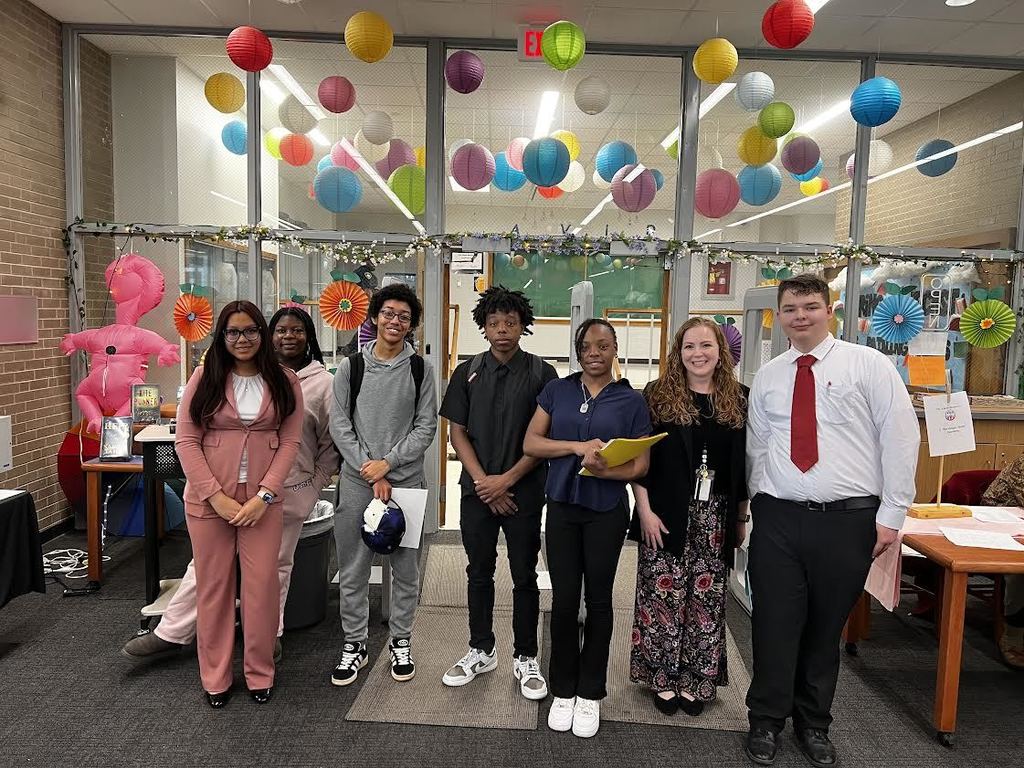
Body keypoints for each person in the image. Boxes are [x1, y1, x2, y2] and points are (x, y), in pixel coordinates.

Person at [744, 274, 919, 766]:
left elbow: (900, 439)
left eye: (810, 306)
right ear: (779, 315)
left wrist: (892, 514)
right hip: (778, 518)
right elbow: (758, 447)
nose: (800, 316)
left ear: (830, 310)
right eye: (790, 308)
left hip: (847, 521)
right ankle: (765, 720)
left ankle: (814, 724)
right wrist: (757, 506)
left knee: (824, 629)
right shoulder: (769, 376)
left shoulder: (869, 365)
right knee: (773, 625)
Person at [121, 306, 338, 667]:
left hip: (288, 491)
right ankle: (172, 632)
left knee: (275, 568)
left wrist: (313, 486)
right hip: (227, 490)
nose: (289, 336)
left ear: (310, 337)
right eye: (281, 330)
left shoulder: (323, 383)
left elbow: (331, 443)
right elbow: (192, 434)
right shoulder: (240, 374)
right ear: (268, 335)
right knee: (207, 567)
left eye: (298, 330)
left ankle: (269, 635)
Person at [523, 318, 651, 738]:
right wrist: (577, 447)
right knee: (563, 601)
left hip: (606, 511)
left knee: (598, 601)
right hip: (562, 509)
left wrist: (605, 470)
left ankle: (590, 692)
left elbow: (640, 465)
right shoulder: (557, 390)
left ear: (615, 349)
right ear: (577, 352)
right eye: (586, 346)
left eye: (603, 345)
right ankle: (563, 688)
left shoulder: (631, 400)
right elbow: (531, 443)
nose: (594, 352)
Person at [174, 301, 304, 708]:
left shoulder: (284, 380)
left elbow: (290, 443)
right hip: (209, 501)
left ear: (262, 334)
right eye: (233, 332)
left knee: (262, 589)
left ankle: (260, 673)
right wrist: (215, 496)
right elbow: (186, 441)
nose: (242, 339)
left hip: (263, 503)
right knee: (214, 589)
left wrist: (265, 495)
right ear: (222, 336)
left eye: (250, 330)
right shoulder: (205, 377)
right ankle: (215, 678)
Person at [438, 286, 557, 698]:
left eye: (510, 322)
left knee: (525, 574)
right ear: (483, 328)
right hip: (477, 492)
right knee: (478, 571)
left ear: (523, 326)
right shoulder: (467, 371)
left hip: (524, 491)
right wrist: (484, 484)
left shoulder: (542, 373)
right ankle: (481, 649)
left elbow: (545, 438)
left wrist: (506, 481)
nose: (502, 330)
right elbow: (457, 432)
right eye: (494, 323)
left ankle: (525, 656)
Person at [628, 318, 748, 717]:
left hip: (716, 515)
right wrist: (644, 510)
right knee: (662, 594)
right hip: (664, 511)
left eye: (706, 345)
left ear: (720, 351)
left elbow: (743, 466)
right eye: (689, 346)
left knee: (706, 599)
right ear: (678, 353)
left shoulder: (739, 399)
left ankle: (698, 680)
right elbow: (640, 458)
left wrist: (741, 517)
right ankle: (662, 678)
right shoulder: (657, 395)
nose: (698, 353)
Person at [329, 283, 437, 687]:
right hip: (357, 483)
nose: (395, 321)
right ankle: (354, 643)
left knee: (406, 569)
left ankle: (401, 640)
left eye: (404, 317)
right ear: (375, 317)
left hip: (405, 484)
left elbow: (426, 426)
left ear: (411, 325)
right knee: (353, 569)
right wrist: (368, 469)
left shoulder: (420, 370)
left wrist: (387, 464)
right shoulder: (351, 367)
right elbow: (339, 424)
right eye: (388, 313)